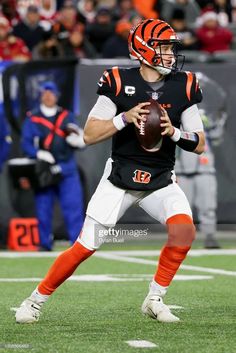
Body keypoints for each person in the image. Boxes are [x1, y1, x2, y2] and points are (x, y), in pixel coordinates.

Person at [14, 19, 205, 324]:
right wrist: (124, 118)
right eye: (164, 47)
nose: (170, 54)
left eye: (170, 47)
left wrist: (174, 133)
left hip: (160, 179)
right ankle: (34, 300)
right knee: (85, 246)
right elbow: (89, 134)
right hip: (119, 177)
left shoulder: (184, 84)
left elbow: (200, 143)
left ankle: (154, 298)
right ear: (144, 50)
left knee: (184, 230)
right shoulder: (119, 81)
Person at [21, 81, 85, 251]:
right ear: (41, 95)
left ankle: (78, 244)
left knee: (73, 207)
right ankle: (44, 243)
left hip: (67, 168)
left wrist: (78, 139)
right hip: (44, 170)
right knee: (43, 208)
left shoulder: (67, 116)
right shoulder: (33, 118)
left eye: (51, 93)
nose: (48, 96)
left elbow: (78, 137)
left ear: (56, 95)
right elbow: (26, 143)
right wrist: (38, 153)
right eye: (45, 93)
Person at [175, 72, 227, 249]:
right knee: (181, 207)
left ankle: (210, 235)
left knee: (208, 205)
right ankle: (180, 238)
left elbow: (216, 138)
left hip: (204, 166)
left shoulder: (205, 114)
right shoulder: (175, 110)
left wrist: (217, 123)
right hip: (181, 166)